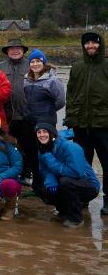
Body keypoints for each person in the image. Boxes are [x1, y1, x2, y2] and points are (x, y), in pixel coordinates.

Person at [65, 30, 108, 216]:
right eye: (87, 43)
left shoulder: (106, 66)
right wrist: (70, 118)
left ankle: (107, 201)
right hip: (80, 126)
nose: (91, 46)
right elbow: (71, 94)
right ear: (83, 46)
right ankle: (84, 197)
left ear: (100, 45)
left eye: (94, 43)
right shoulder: (77, 67)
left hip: (103, 125)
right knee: (81, 163)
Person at [36, 122, 100, 227]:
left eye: (45, 131)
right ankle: (64, 210)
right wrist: (51, 180)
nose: (42, 135)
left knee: (65, 182)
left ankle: (76, 219)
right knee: (42, 188)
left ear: (52, 134)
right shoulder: (43, 148)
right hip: (66, 179)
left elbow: (76, 172)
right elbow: (43, 170)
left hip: (89, 185)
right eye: (39, 132)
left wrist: (50, 160)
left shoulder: (70, 147)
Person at [0, 38, 35, 186]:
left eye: (18, 48)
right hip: (6, 116)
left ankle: (27, 174)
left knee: (28, 147)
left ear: (23, 50)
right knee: (7, 147)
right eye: (11, 48)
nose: (15, 50)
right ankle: (8, 174)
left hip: (26, 115)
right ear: (7, 51)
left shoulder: (31, 65)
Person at [24, 49, 66, 129]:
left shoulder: (53, 80)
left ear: (43, 63)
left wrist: (48, 110)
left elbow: (61, 101)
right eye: (32, 62)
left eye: (38, 61)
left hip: (47, 121)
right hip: (29, 120)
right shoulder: (26, 80)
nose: (35, 64)